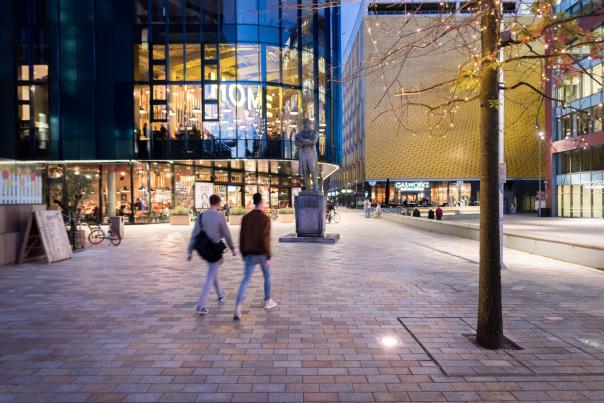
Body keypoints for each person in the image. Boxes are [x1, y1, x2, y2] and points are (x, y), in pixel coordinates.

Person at [187, 194, 236, 316]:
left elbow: (194, 234)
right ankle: (200, 305)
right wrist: (233, 248)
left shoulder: (202, 215)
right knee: (211, 275)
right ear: (218, 204)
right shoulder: (220, 216)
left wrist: (190, 251)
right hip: (214, 250)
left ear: (210, 202)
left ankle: (220, 294)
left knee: (213, 271)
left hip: (204, 250)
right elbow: (227, 234)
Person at [234, 193, 277, 320]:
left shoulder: (246, 218)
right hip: (262, 253)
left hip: (249, 253)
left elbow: (241, 236)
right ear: (261, 202)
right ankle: (267, 300)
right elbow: (266, 238)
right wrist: (269, 255)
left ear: (253, 202)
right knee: (267, 276)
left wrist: (243, 252)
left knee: (246, 279)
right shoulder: (265, 218)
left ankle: (238, 305)